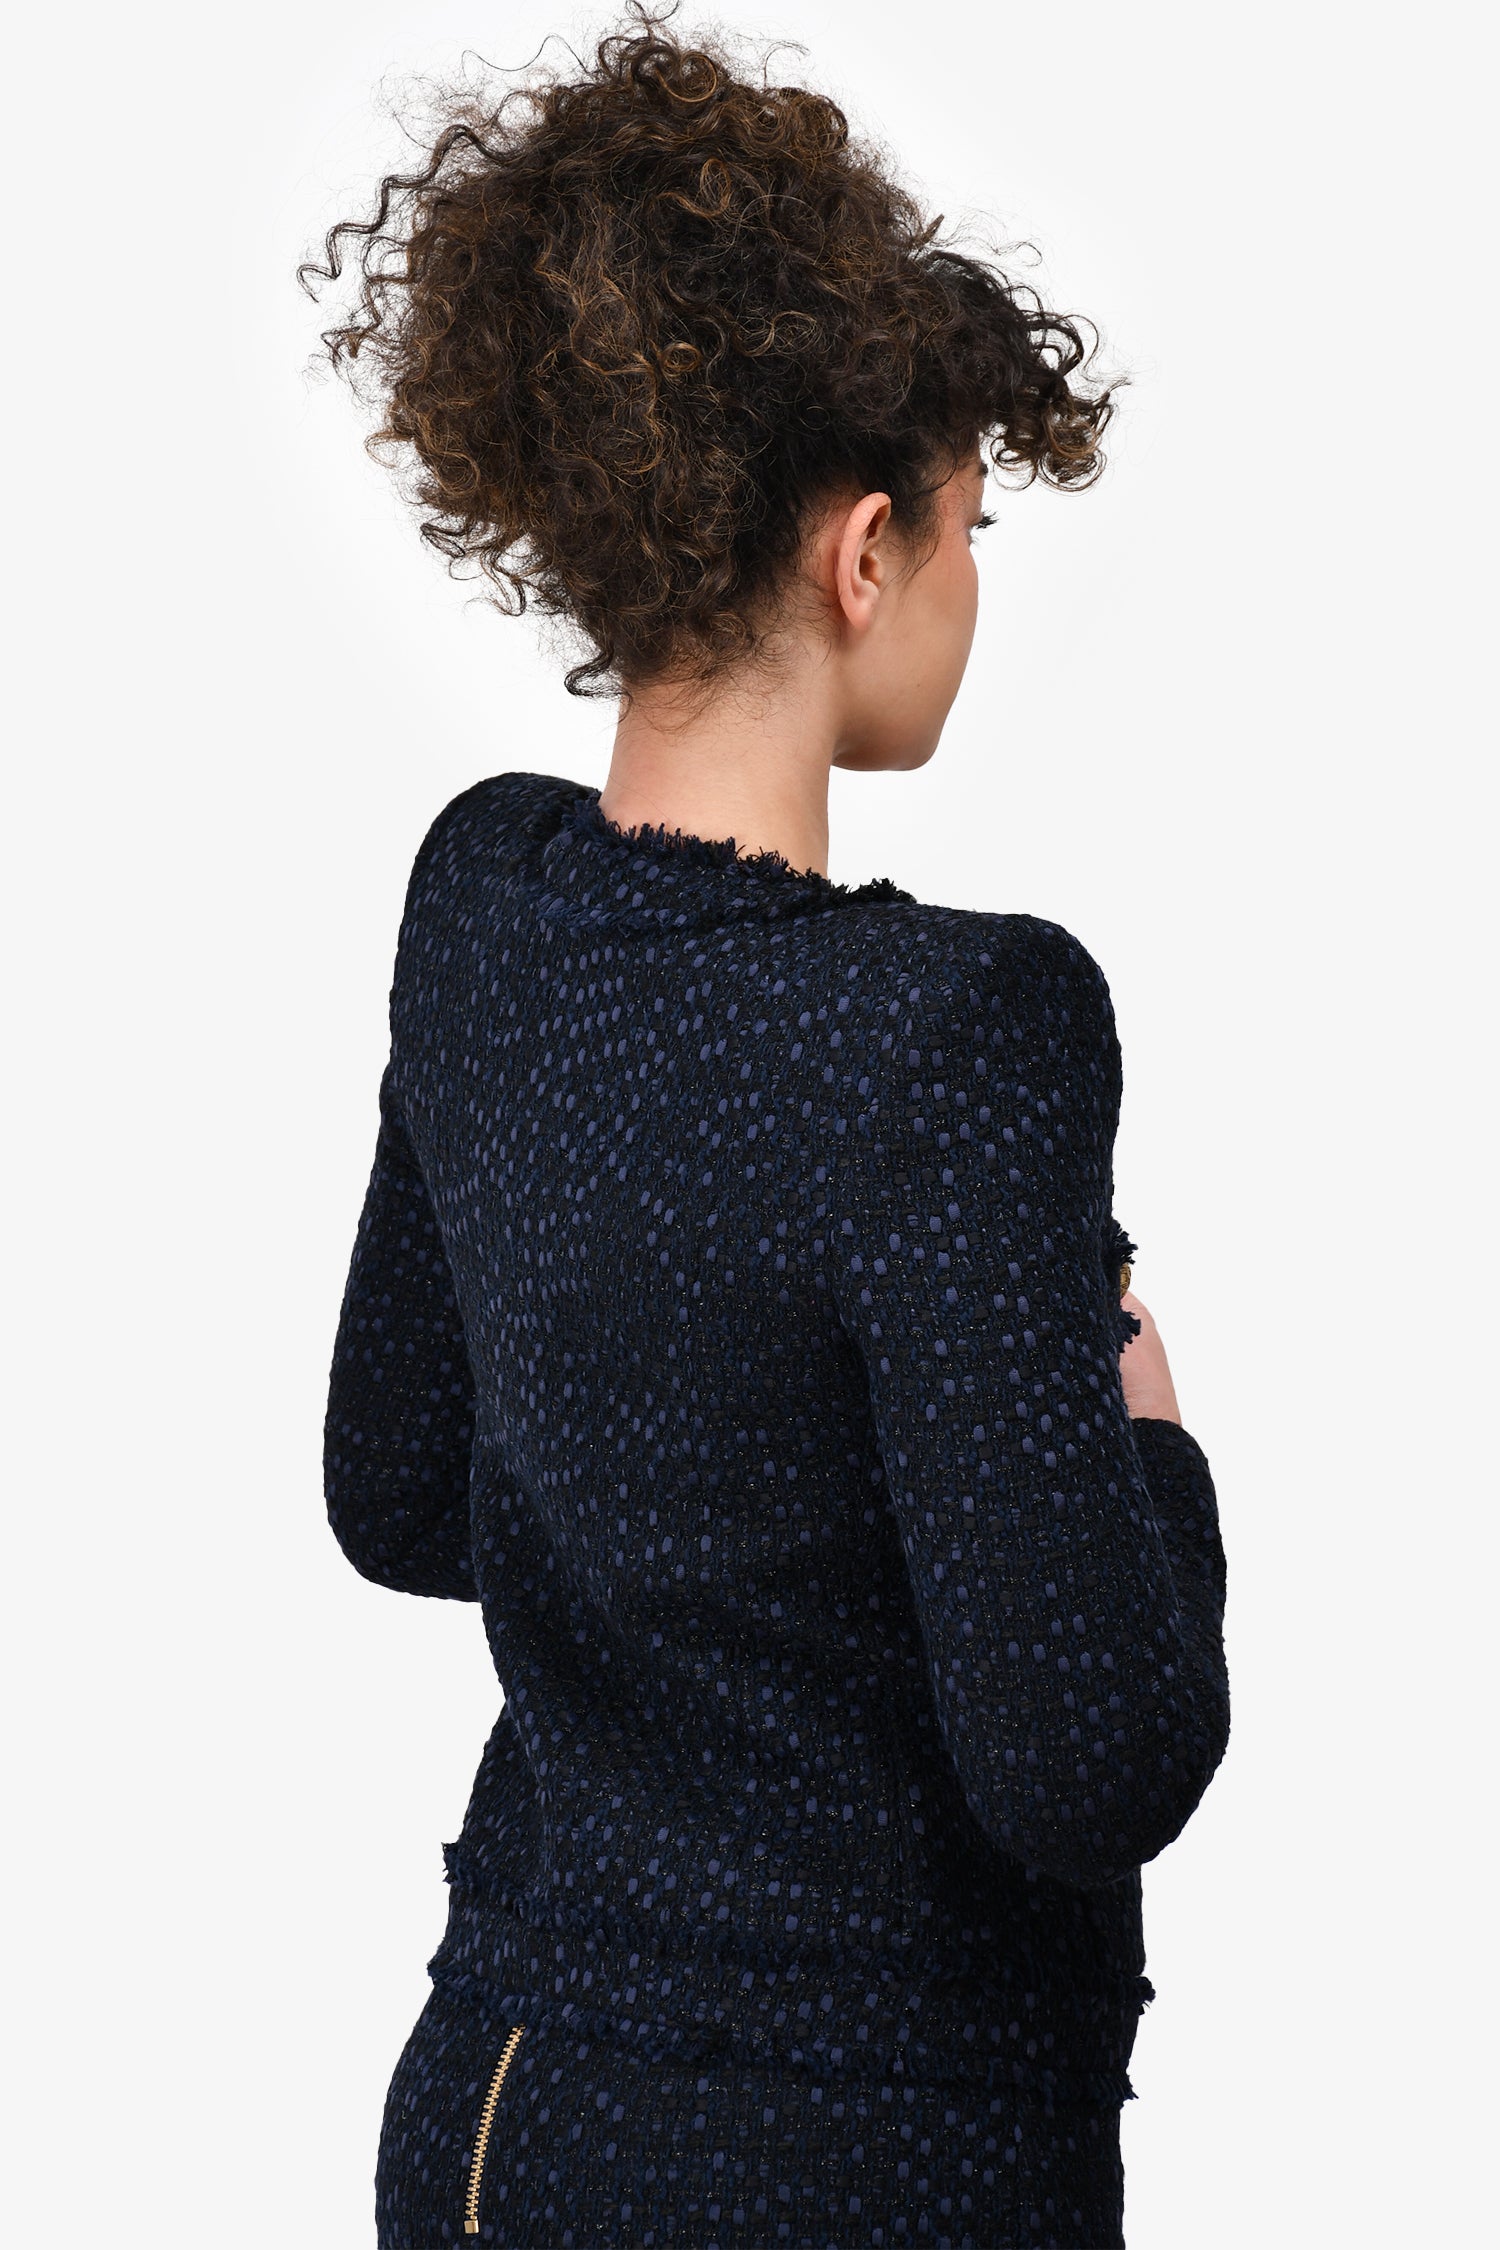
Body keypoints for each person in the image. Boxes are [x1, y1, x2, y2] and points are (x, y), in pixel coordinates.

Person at [304, 11, 1230, 2245]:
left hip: (497, 2118)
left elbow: (401, 1487)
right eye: (973, 529)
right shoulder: (964, 1031)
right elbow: (1089, 1759)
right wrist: (1146, 1455)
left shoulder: (481, 900)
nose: (974, 589)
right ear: (863, 553)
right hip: (845, 2151)